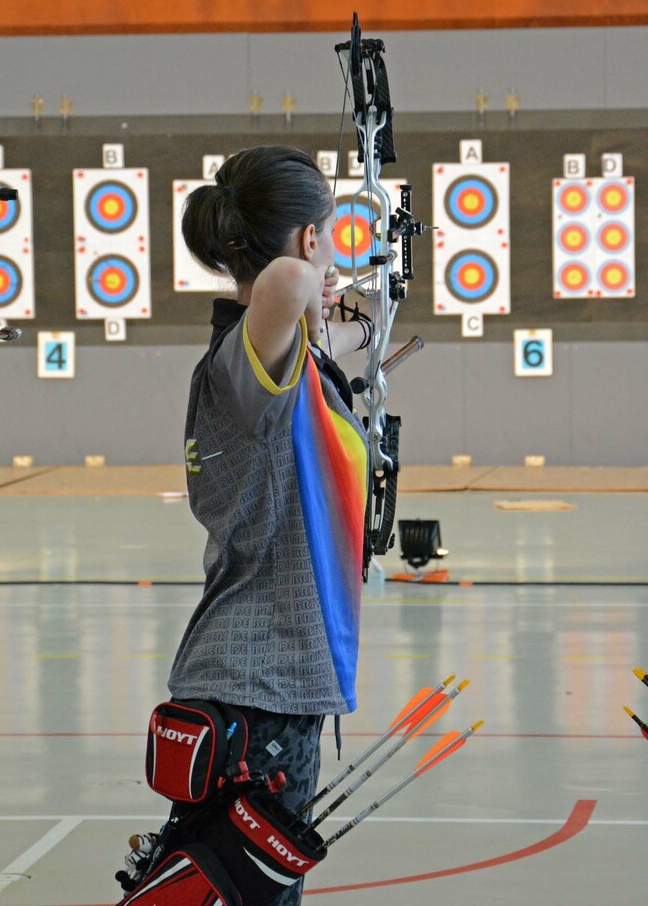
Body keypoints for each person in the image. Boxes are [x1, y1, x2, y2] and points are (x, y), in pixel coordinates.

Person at [166, 145, 369, 904]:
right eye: (328, 234)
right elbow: (287, 281)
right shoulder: (245, 363)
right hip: (260, 688)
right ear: (309, 240)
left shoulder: (266, 360)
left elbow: (325, 322)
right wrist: (314, 281)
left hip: (259, 683)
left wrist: (345, 324)